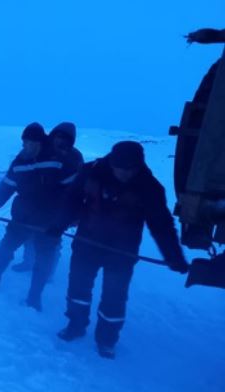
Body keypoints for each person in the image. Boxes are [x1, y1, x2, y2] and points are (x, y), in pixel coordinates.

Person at [51, 141, 189, 359]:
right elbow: (71, 201)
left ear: (138, 166)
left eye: (130, 169)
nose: (125, 173)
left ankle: (106, 340)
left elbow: (161, 225)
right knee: (78, 289)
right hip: (87, 244)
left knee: (114, 298)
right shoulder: (90, 172)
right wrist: (57, 225)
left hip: (122, 252)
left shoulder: (150, 187)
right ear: (111, 163)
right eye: (120, 168)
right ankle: (75, 325)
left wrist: (174, 256)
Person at [0, 122, 80, 311]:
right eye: (25, 143)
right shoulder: (19, 162)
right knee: (5, 248)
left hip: (49, 221)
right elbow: (7, 186)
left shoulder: (58, 160)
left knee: (44, 259)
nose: (28, 147)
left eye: (32, 143)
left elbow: (74, 192)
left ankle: (34, 297)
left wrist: (68, 218)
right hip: (22, 217)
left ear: (41, 143)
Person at [11, 122, 84, 274]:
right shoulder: (40, 150)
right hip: (35, 204)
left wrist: (75, 212)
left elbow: (79, 185)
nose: (60, 140)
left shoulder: (75, 156)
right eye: (58, 136)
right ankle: (28, 262)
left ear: (71, 140)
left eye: (65, 138)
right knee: (30, 235)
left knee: (52, 239)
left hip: (60, 207)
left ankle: (47, 270)